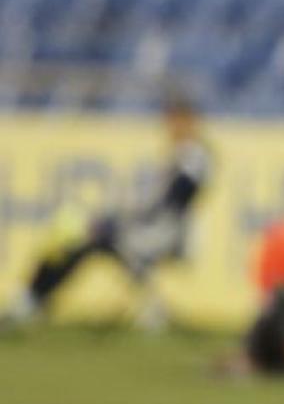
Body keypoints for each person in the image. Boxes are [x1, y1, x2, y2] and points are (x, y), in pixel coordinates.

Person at [12, 94, 212, 325]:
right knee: (74, 239)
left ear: (189, 121)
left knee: (84, 240)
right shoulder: (181, 154)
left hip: (161, 232)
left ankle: (33, 297)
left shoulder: (195, 156)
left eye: (175, 120)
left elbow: (174, 198)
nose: (170, 127)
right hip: (148, 228)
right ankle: (35, 295)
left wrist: (125, 217)